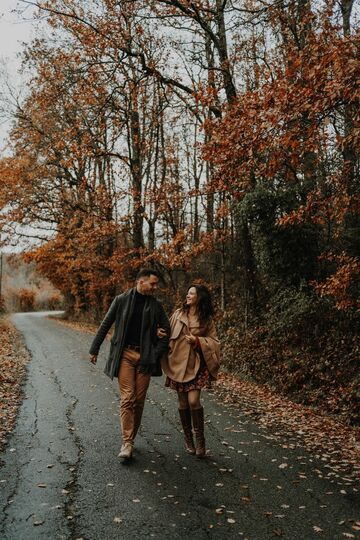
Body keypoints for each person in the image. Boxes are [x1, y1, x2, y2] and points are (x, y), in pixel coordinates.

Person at [89, 269, 170, 460]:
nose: (155, 287)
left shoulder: (156, 306)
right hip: (125, 354)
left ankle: (130, 438)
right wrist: (94, 349)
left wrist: (154, 353)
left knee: (139, 401)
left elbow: (167, 331)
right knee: (128, 398)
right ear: (140, 282)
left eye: (156, 283)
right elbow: (106, 324)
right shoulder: (121, 300)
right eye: (153, 283)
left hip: (145, 358)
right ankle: (127, 443)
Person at [160, 284, 220, 458]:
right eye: (187, 293)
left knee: (194, 401)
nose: (188, 295)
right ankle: (188, 439)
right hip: (177, 364)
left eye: (191, 293)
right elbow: (166, 331)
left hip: (196, 365)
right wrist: (159, 334)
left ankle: (200, 440)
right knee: (183, 403)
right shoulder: (178, 314)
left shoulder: (206, 319)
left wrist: (197, 340)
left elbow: (215, 342)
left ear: (199, 297)